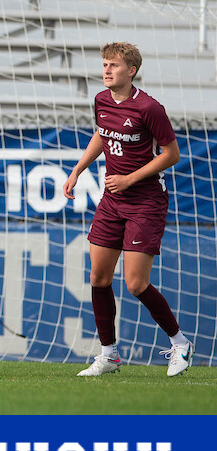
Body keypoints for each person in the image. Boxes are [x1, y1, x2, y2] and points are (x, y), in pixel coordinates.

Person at [64, 42, 193, 377]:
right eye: (105, 64)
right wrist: (78, 170)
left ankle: (180, 343)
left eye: (114, 65)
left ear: (131, 70)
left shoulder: (149, 108)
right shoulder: (102, 100)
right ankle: (109, 355)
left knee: (136, 284)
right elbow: (102, 135)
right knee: (98, 277)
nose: (107, 70)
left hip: (146, 201)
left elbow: (171, 154)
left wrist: (128, 179)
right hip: (112, 201)